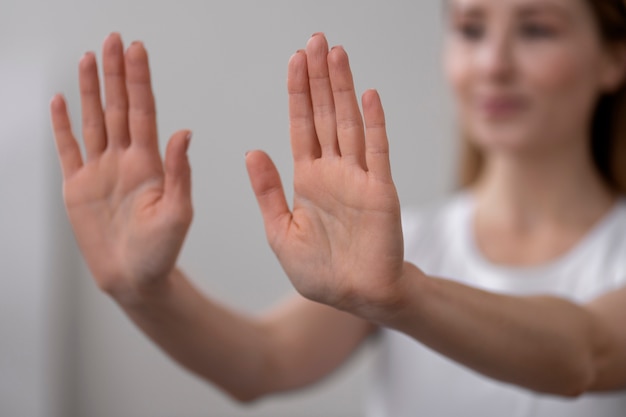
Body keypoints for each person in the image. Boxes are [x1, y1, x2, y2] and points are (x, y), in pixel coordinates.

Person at [49, 0, 626, 415]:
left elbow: (586, 354)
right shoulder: (409, 244)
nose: (494, 64)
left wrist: (403, 295)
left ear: (613, 58)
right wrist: (145, 292)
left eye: (537, 29)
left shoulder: (398, 270)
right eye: (471, 29)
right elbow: (261, 362)